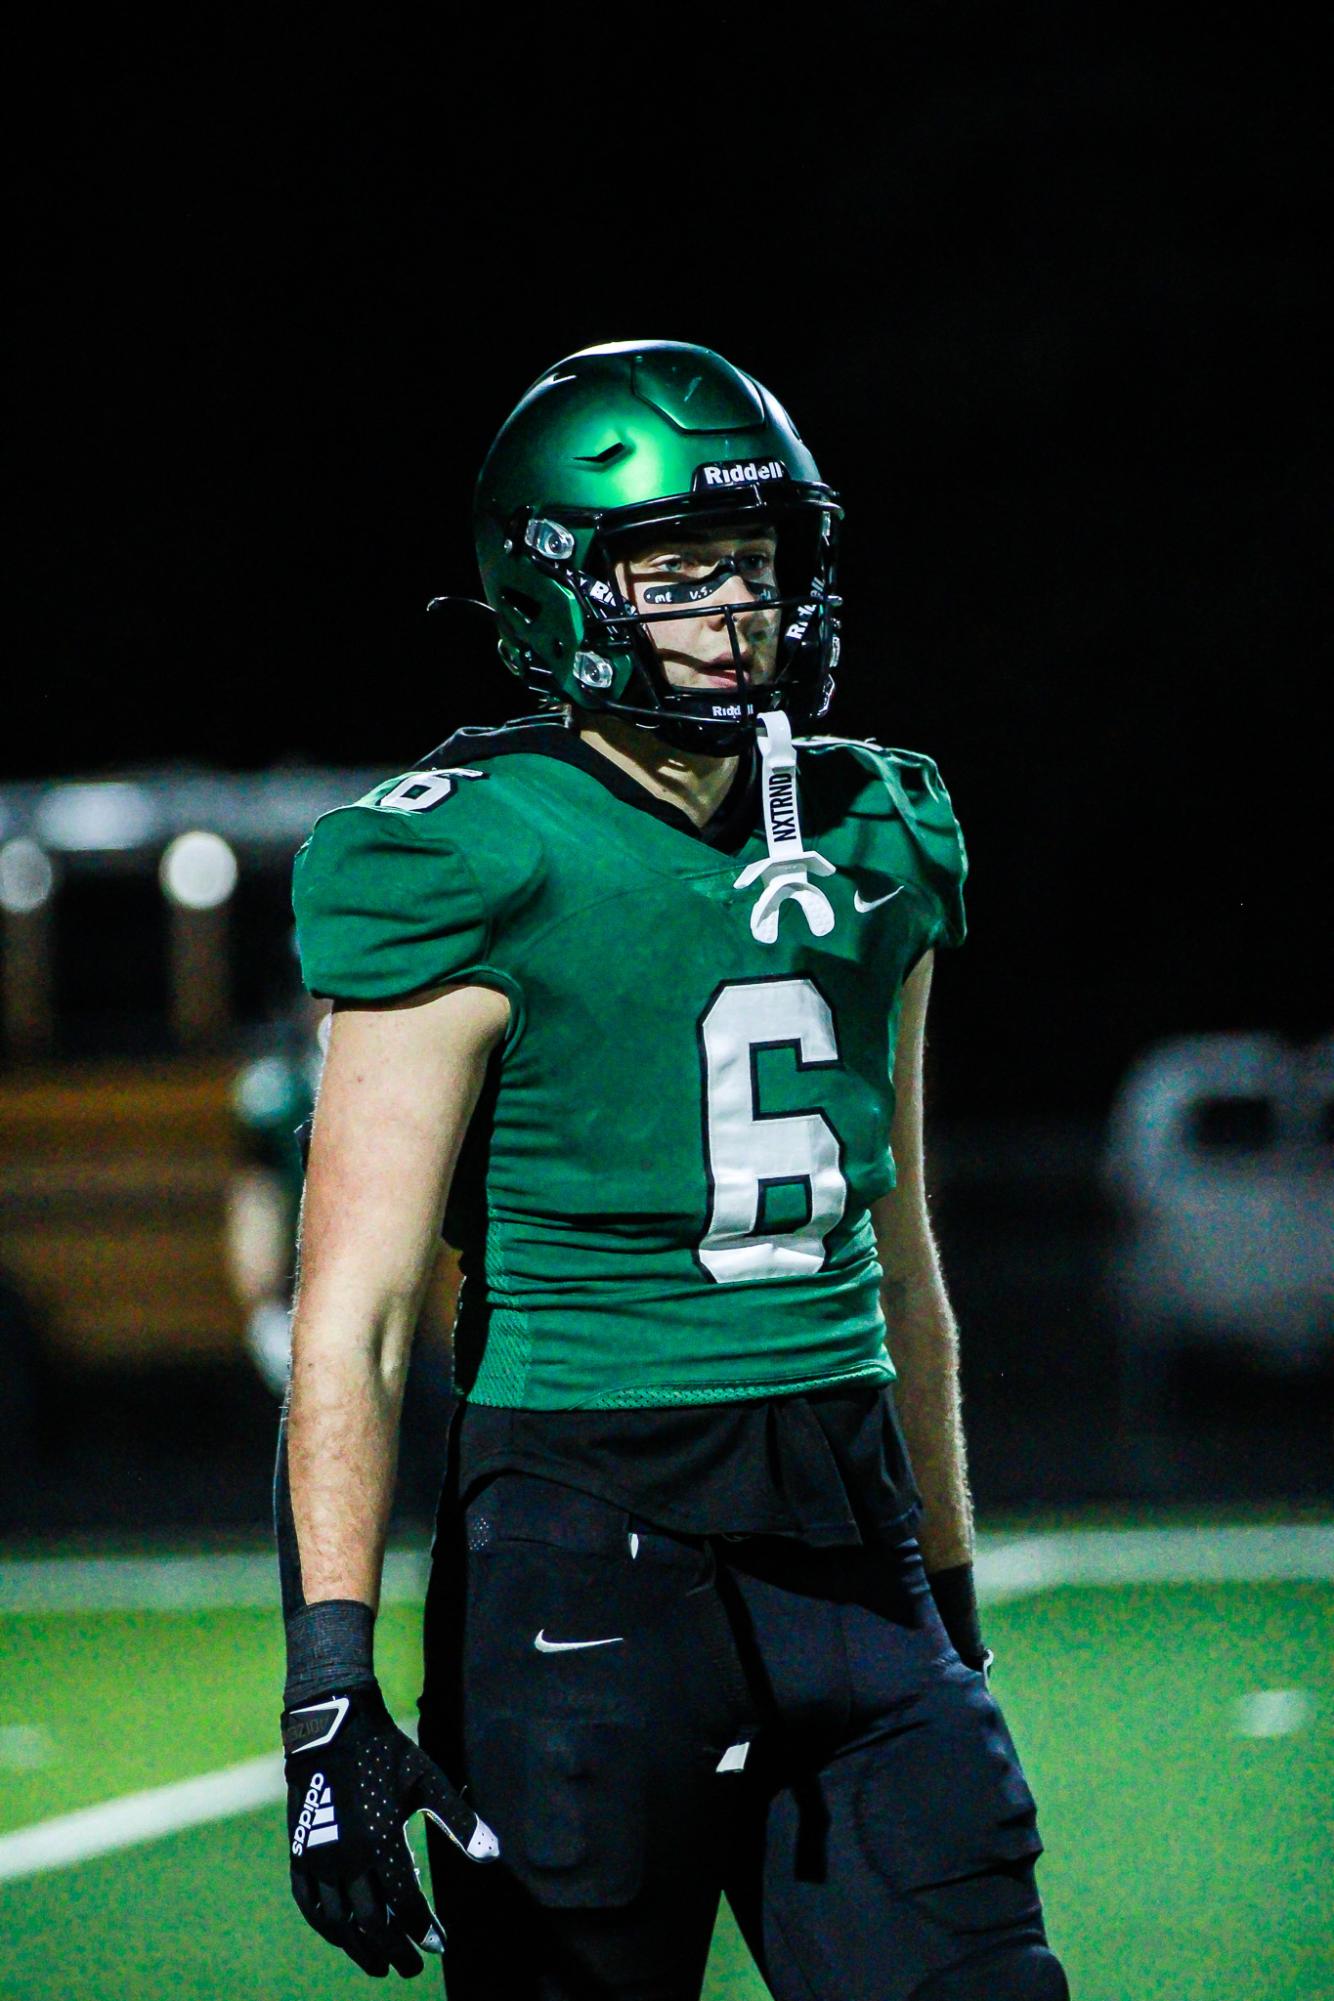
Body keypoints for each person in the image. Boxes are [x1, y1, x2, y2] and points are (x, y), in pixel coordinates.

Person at [276, 340, 1069, 1999]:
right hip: (582, 1557)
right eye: (682, 570)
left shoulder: (872, 825)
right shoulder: (465, 848)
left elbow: (899, 1258)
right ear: (557, 586)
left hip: (848, 1543)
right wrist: (327, 1681)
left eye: (759, 566)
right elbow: (349, 1317)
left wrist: (947, 1594)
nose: (737, 611)